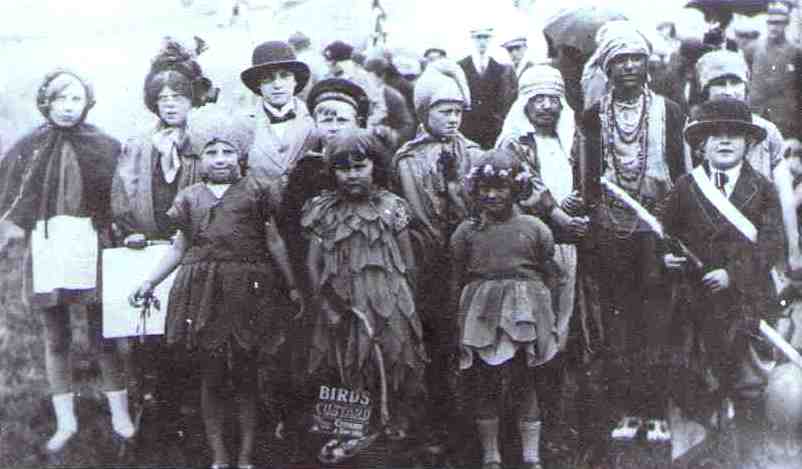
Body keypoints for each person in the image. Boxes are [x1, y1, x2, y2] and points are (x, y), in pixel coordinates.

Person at [129, 105, 299, 469]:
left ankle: (247, 455)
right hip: (202, 292)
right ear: (200, 156)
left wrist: (293, 285)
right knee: (212, 375)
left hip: (249, 290)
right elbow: (179, 246)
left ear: (239, 154)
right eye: (211, 152)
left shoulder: (257, 190)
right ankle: (219, 457)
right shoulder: (190, 196)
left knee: (247, 373)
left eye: (227, 152)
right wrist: (149, 281)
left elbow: (274, 241)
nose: (220, 159)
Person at [0, 69, 134, 453]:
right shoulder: (29, 147)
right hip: (46, 245)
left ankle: (120, 414)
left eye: (75, 99)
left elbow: (120, 196)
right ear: (46, 102)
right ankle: (66, 420)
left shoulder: (104, 145)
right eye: (59, 99)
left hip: (92, 243)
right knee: (56, 335)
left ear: (87, 102)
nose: (67, 107)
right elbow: (13, 194)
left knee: (103, 333)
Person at [579, 20, 687, 453]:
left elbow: (682, 178)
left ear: (647, 64)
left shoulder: (671, 111)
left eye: (635, 58)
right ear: (606, 67)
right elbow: (585, 181)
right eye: (619, 59)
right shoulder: (592, 116)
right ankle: (628, 409)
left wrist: (676, 235)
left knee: (657, 322)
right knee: (619, 324)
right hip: (610, 230)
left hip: (656, 231)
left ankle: (657, 410)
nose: (627, 66)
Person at [658, 97, 784, 457]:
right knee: (695, 381)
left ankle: (749, 456)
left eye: (734, 134)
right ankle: (695, 456)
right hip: (695, 306)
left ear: (749, 143)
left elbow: (772, 244)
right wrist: (666, 258)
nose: (725, 141)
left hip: (746, 304)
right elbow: (666, 235)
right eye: (715, 135)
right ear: (701, 144)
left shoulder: (762, 189)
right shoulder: (685, 187)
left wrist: (733, 274)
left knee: (749, 386)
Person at [111, 36, 214, 442]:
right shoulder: (138, 145)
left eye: (179, 95)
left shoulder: (207, 144)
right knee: (149, 334)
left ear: (194, 99)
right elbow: (122, 193)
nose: (170, 103)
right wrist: (130, 231)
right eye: (162, 96)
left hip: (195, 251)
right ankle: (156, 407)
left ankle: (195, 410)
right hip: (150, 250)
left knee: (193, 332)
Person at [300, 128, 427, 439]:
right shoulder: (322, 210)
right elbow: (311, 264)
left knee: (392, 354)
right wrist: (325, 306)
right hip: (342, 300)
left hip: (389, 297)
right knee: (341, 357)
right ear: (332, 172)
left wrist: (409, 302)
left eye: (360, 167)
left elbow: (408, 260)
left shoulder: (392, 207)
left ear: (375, 166)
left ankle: (393, 423)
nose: (352, 175)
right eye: (343, 169)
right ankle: (348, 430)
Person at [392, 58, 482, 449]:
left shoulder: (474, 154)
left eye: (458, 111)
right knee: (431, 339)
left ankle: (470, 424)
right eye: (444, 111)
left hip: (468, 259)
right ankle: (431, 420)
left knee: (466, 339)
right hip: (425, 260)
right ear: (424, 113)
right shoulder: (408, 158)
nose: (452, 119)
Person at [451, 150, 560, 469]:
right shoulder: (467, 232)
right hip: (482, 315)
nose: (491, 194)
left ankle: (530, 455)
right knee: (485, 379)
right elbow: (457, 277)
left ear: (516, 189)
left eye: (500, 187)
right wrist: (457, 321)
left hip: (525, 314)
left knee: (526, 381)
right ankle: (490, 454)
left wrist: (547, 319)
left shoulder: (534, 228)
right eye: (484, 187)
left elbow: (550, 274)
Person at [497, 64, 588, 354]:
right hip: (530, 242)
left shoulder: (573, 140)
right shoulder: (515, 142)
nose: (547, 106)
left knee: (564, 309)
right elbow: (527, 186)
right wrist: (559, 214)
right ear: (525, 102)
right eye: (538, 99)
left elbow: (585, 176)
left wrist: (577, 202)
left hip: (567, 240)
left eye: (553, 99)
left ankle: (555, 365)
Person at [694, 49, 802, 272]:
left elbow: (785, 196)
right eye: (719, 83)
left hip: (758, 241)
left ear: (746, 85)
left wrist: (793, 249)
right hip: (711, 244)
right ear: (705, 89)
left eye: (735, 82)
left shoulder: (767, 132)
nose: (729, 91)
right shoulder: (695, 132)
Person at [240, 40, 316, 202]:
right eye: (268, 79)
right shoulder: (243, 123)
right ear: (258, 85)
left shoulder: (313, 119)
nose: (277, 85)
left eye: (284, 76)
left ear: (295, 81)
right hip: (259, 213)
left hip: (306, 211)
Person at [748, 2, 802, 145]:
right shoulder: (754, 49)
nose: (773, 27)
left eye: (778, 23)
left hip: (786, 120)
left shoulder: (795, 52)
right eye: (770, 22)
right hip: (758, 115)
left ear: (786, 24)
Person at [458, 27, 516, 149]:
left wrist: (499, 121)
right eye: (479, 38)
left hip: (491, 130)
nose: (482, 42)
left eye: (486, 38)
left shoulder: (499, 69)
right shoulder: (461, 67)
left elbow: (503, 100)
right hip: (467, 128)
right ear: (472, 40)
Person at [362, 56, 417, 150]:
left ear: (381, 76)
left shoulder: (391, 95)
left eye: (368, 76)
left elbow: (408, 125)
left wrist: (391, 135)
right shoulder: (359, 92)